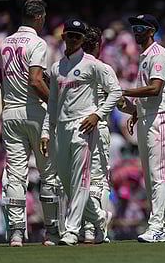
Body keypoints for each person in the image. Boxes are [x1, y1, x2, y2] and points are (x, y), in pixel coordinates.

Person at [41, 19, 121, 245]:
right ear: (63, 37)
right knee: (66, 181)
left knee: (81, 180)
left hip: (83, 126)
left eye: (77, 36)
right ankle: (99, 218)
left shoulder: (94, 64)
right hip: (62, 128)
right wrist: (46, 132)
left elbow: (115, 92)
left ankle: (71, 230)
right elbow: (53, 102)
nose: (73, 39)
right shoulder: (57, 67)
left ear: (83, 39)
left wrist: (98, 114)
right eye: (70, 35)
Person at [0, 0, 62, 247]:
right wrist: (55, 104)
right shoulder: (37, 43)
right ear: (39, 18)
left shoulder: (4, 43)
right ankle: (51, 232)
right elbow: (35, 81)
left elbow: (2, 82)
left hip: (10, 113)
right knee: (48, 172)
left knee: (15, 174)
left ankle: (15, 233)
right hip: (34, 112)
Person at [117, 14, 165, 243]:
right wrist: (135, 112)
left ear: (151, 31)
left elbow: (155, 89)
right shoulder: (144, 56)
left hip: (159, 118)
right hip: (147, 117)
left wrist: (123, 91)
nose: (136, 31)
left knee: (157, 175)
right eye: (134, 27)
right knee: (150, 176)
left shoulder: (158, 54)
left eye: (141, 27)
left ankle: (157, 227)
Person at [79, 26, 117, 243]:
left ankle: (89, 230)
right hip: (97, 127)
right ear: (97, 46)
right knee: (97, 181)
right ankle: (97, 228)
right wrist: (135, 112)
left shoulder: (72, 67)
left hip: (78, 128)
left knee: (85, 180)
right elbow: (118, 97)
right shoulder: (102, 68)